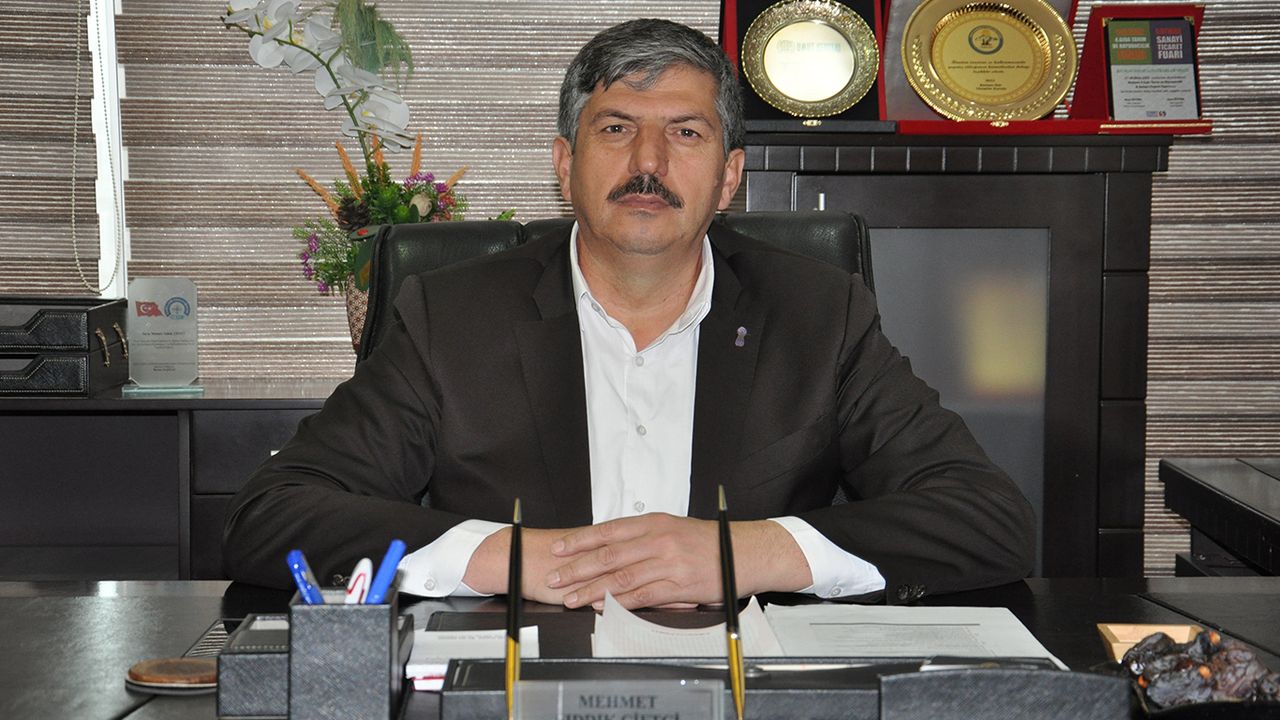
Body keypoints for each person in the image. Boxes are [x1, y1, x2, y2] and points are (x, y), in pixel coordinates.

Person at [223, 18, 1035, 608]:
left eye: (685, 133)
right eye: (616, 129)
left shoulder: (818, 314)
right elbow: (272, 516)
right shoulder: (453, 315)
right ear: (565, 164)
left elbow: (989, 520)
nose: (648, 162)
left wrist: (744, 554)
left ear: (729, 177)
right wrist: (508, 558)